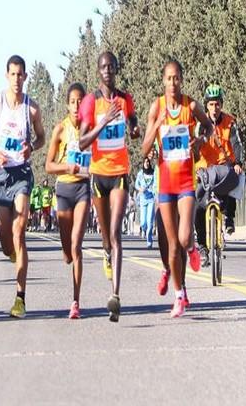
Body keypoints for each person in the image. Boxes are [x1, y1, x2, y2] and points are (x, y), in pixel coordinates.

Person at [0, 55, 45, 319]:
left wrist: (32, 147)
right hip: (1, 174)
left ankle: (20, 298)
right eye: (13, 74)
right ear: (7, 76)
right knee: (6, 241)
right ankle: (13, 254)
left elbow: (41, 138)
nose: (17, 79)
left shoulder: (32, 109)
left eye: (21, 75)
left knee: (19, 231)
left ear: (26, 77)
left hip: (22, 175)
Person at [141, 59, 211, 318]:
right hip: (165, 185)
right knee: (171, 246)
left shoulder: (190, 106)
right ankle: (179, 295)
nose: (173, 83)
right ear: (163, 81)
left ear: (182, 79)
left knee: (183, 238)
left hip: (185, 182)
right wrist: (157, 126)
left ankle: (192, 249)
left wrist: (200, 141)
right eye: (169, 78)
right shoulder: (156, 107)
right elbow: (145, 149)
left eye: (177, 78)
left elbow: (209, 127)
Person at [77, 51, 140, 322]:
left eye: (111, 67)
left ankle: (115, 296)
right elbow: (81, 142)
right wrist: (103, 121)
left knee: (116, 233)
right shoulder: (91, 102)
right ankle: (105, 251)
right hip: (98, 174)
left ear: (116, 70)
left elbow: (133, 122)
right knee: (105, 236)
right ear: (98, 70)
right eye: (103, 67)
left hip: (120, 172)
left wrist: (134, 129)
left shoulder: (126, 99)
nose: (107, 71)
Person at [44, 82, 91, 319]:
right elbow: (48, 165)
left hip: (83, 189)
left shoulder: (90, 128)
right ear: (67, 104)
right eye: (72, 101)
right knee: (66, 252)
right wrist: (67, 166)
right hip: (63, 190)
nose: (76, 105)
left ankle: (75, 301)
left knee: (76, 246)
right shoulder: (60, 130)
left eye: (80, 100)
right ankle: (66, 252)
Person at [193, 84, 243, 264]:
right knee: (198, 207)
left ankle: (229, 217)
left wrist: (237, 162)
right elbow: (194, 145)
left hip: (223, 166)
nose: (215, 108)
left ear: (222, 105)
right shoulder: (200, 124)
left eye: (218, 104)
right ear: (206, 105)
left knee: (234, 179)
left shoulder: (230, 122)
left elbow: (237, 144)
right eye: (212, 104)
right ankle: (202, 247)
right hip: (204, 169)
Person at [135, 157, 156, 248]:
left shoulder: (153, 173)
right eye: (145, 162)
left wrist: (155, 192)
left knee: (150, 222)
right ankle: (143, 229)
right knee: (143, 222)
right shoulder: (140, 174)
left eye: (148, 162)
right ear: (143, 163)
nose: (146, 163)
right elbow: (136, 184)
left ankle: (149, 241)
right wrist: (140, 189)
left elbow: (156, 184)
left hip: (151, 199)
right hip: (143, 199)